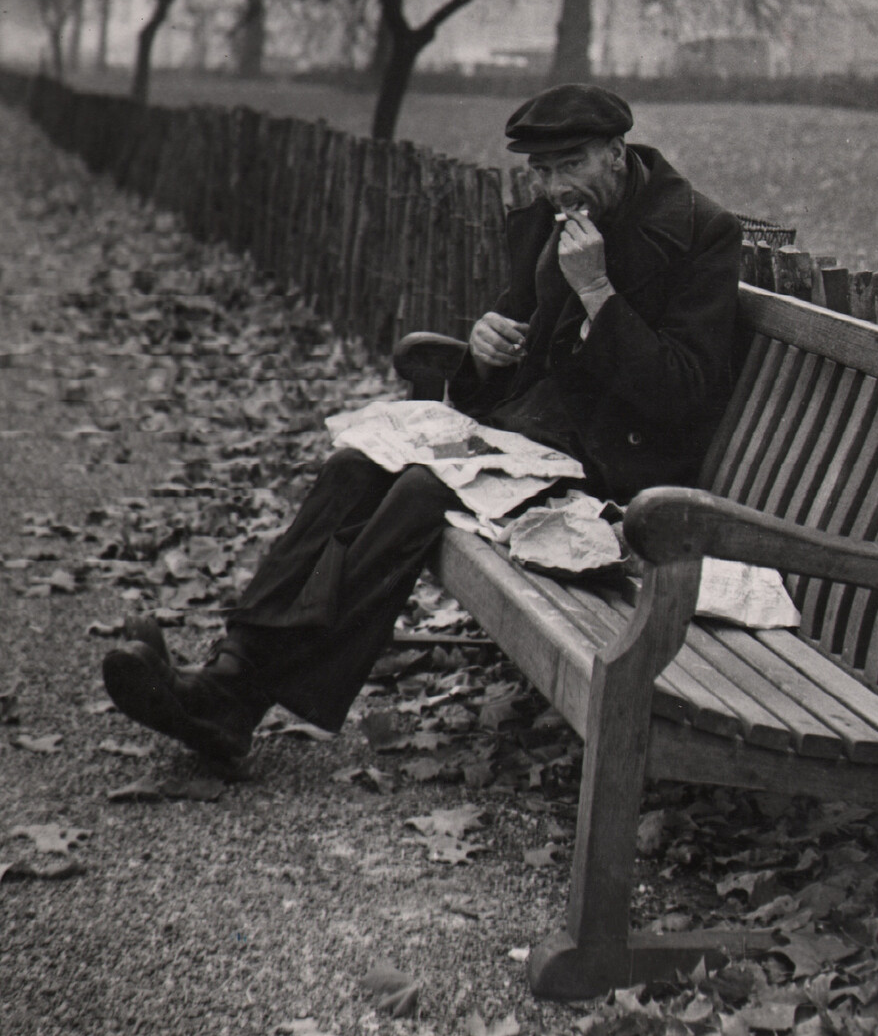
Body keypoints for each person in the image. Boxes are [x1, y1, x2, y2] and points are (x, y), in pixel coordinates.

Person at [102, 84, 743, 761]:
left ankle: (231, 698)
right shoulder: (553, 223)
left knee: (421, 492)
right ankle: (232, 676)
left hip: (617, 475)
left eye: (571, 165)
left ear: (616, 153)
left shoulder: (698, 231)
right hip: (527, 442)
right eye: (541, 170)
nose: (556, 187)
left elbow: (683, 392)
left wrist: (597, 293)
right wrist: (489, 344)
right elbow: (517, 339)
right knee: (355, 465)